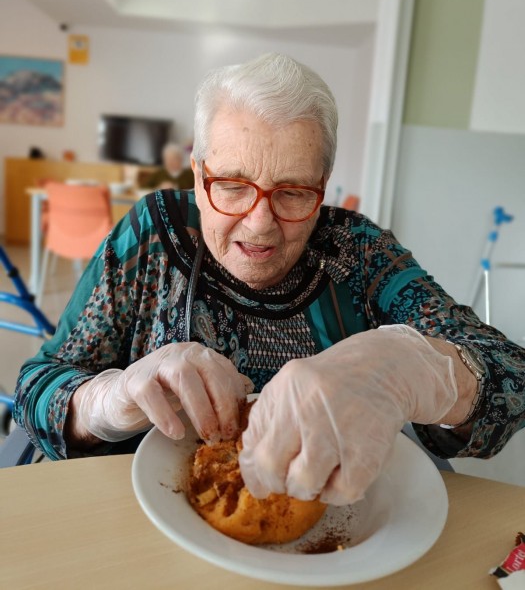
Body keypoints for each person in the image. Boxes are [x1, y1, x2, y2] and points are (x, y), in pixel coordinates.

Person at [13, 53, 525, 506]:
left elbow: (512, 376)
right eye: (232, 186)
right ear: (198, 176)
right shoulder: (152, 232)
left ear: (322, 187)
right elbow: (38, 386)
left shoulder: (359, 253)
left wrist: (411, 369)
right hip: (138, 512)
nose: (260, 224)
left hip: (328, 519)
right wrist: (106, 399)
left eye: (293, 192)